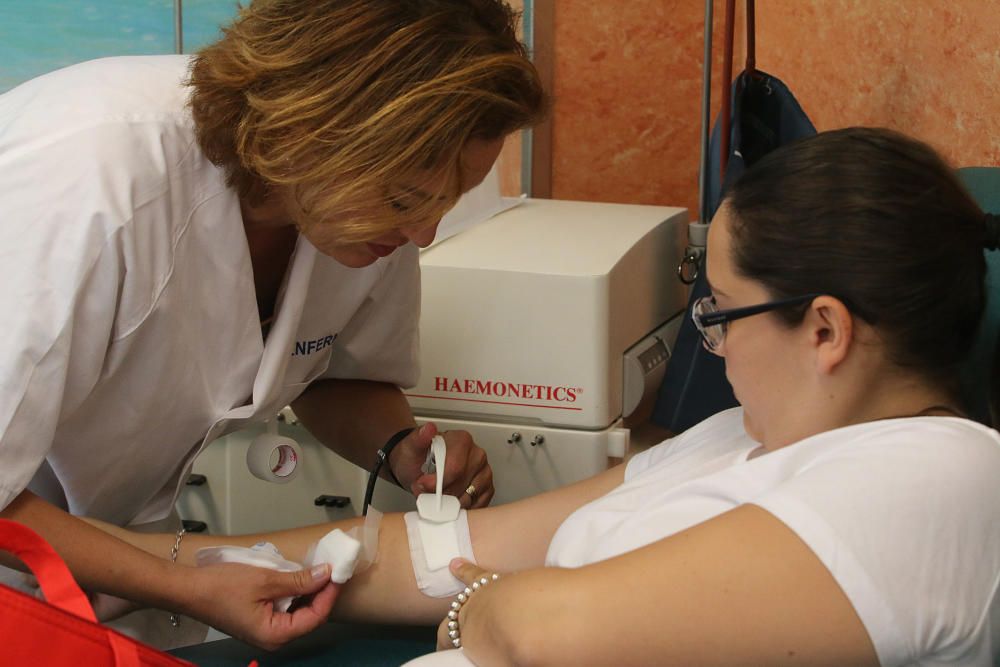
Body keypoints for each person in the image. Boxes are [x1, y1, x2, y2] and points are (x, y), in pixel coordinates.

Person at [95, 126, 1000, 665]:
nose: (708, 339)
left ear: (826, 330)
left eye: (717, 309)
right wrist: (155, 563)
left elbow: (548, 631)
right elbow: (437, 548)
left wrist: (481, 604)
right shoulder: (736, 437)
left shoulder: (942, 474)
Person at [0, 0, 545, 650]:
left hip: (109, 573)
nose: (423, 234)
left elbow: (332, 373)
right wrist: (182, 581)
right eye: (406, 199)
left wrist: (398, 446)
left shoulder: (358, 214)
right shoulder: (88, 184)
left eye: (447, 201)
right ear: (310, 128)